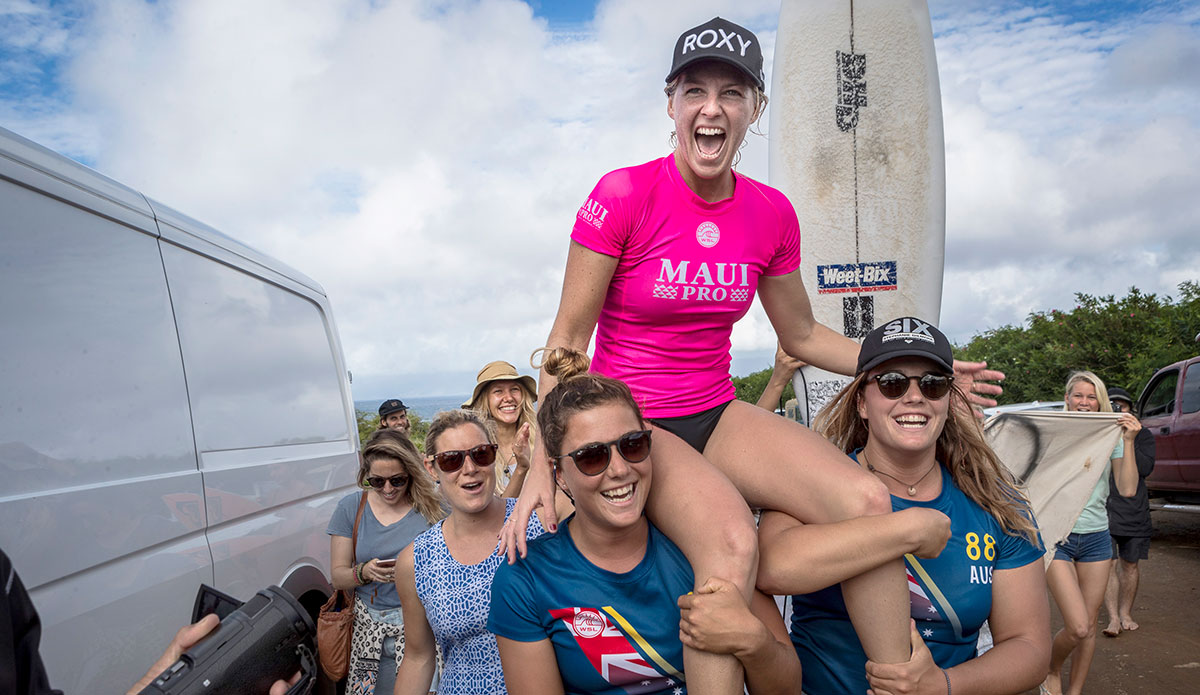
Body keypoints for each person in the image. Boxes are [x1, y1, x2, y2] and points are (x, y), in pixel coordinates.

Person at [502, 16, 1005, 690]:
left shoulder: (770, 213)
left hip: (715, 410)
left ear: (755, 109)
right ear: (672, 105)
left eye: (732, 93)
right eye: (695, 91)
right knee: (733, 541)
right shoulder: (622, 194)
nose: (712, 108)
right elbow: (566, 344)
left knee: (865, 498)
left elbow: (803, 336)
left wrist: (910, 365)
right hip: (636, 422)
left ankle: (897, 681)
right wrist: (543, 463)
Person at [757, 317, 1048, 695]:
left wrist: (943, 685)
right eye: (892, 383)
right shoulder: (811, 488)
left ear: (948, 401)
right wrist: (907, 531)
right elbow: (772, 567)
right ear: (862, 402)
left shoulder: (996, 502)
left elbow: (1029, 648)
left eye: (933, 384)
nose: (914, 397)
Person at [489, 348, 799, 694]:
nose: (620, 470)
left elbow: (786, 687)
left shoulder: (701, 543)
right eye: (592, 456)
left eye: (633, 445)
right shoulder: (528, 580)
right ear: (559, 474)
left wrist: (753, 641)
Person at [393, 409, 564, 695]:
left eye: (481, 454)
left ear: (495, 455)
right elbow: (418, 657)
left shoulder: (539, 521)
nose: (470, 468)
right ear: (432, 468)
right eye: (452, 460)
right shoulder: (416, 560)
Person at [1043, 371, 1141, 695]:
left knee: (1089, 623)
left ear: (1100, 402)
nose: (1084, 402)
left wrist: (1128, 441)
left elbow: (1127, 488)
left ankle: (1075, 691)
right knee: (1078, 625)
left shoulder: (1110, 436)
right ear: (1067, 399)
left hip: (1097, 537)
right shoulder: (1053, 430)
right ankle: (1051, 668)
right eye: (1078, 396)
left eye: (1091, 397)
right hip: (1057, 536)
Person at [327, 433, 444, 695]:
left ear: (411, 473)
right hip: (369, 631)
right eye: (377, 481)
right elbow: (337, 576)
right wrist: (364, 572)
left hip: (421, 629)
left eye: (397, 480)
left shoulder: (433, 506)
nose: (388, 489)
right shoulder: (351, 507)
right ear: (366, 476)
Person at [1101, 387, 1156, 638]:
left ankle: (1126, 613)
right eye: (1112, 405)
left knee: (1130, 564)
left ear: (1130, 410)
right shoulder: (1098, 434)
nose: (1117, 410)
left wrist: (1128, 439)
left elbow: (1145, 468)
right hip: (1104, 509)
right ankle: (1113, 617)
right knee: (1108, 564)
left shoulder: (1143, 435)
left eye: (1122, 407)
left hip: (1134, 510)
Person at [463, 361, 538, 497]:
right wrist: (521, 468)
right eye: (498, 391)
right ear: (485, 401)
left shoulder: (542, 441)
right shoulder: (475, 452)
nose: (508, 398)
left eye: (514, 389)